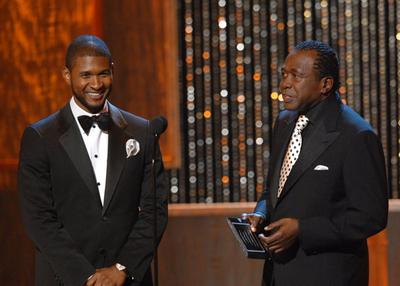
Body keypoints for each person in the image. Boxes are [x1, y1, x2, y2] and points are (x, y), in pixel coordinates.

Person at [18, 35, 168, 286]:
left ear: (113, 70)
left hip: (128, 280)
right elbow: (38, 218)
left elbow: (155, 211)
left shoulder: (142, 131)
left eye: (103, 74)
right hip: (64, 279)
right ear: (67, 75)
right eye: (86, 75)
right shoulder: (41, 137)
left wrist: (122, 268)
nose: (96, 84)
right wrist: (86, 277)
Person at [249, 40, 388, 286]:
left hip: (328, 275)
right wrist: (261, 212)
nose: (285, 84)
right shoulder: (284, 122)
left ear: (325, 84)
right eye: (284, 74)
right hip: (277, 274)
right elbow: (275, 189)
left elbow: (370, 217)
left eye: (297, 76)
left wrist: (303, 229)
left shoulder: (355, 135)